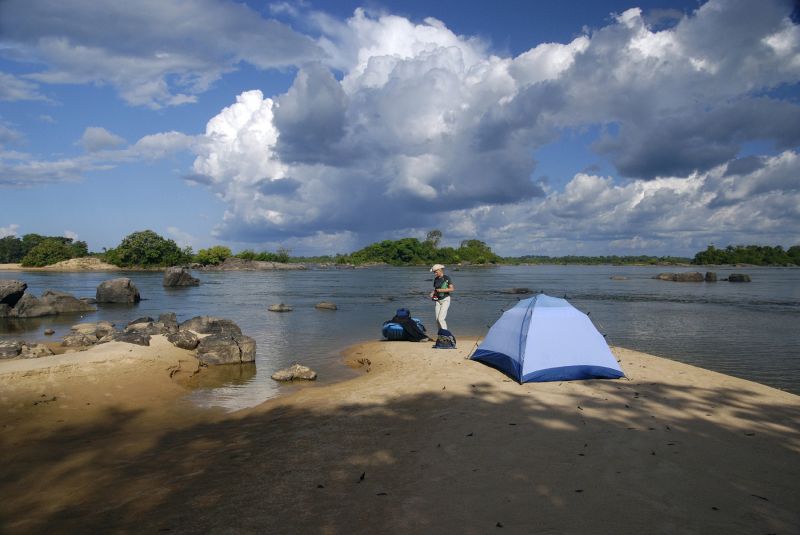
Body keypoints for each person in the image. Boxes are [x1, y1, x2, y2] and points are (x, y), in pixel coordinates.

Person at [429, 264, 454, 331]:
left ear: (440, 270)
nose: (435, 274)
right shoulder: (436, 279)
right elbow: (436, 289)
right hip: (438, 301)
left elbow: (452, 289)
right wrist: (433, 293)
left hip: (446, 300)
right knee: (437, 320)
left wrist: (441, 290)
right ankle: (440, 335)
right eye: (434, 272)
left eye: (435, 272)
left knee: (441, 319)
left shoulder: (446, 278)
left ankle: (446, 335)